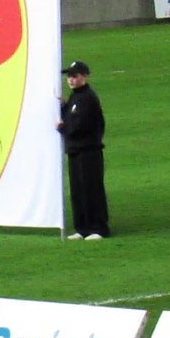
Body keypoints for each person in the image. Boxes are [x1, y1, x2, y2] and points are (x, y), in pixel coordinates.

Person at [58, 61, 110, 240]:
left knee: (91, 189)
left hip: (89, 151)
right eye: (69, 77)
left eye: (74, 76)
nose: (71, 80)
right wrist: (64, 107)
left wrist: (62, 128)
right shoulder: (75, 97)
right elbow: (72, 116)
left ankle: (98, 227)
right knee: (78, 191)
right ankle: (83, 227)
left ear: (84, 76)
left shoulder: (88, 98)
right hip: (76, 151)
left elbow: (79, 125)